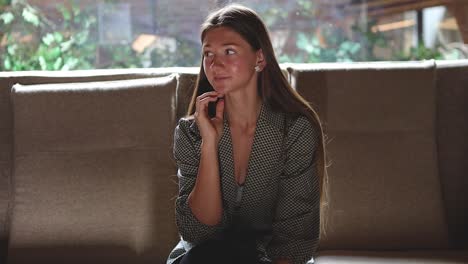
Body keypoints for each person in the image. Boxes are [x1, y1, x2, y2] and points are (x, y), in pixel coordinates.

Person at [166, 4, 328, 264]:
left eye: (229, 51)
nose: (215, 63)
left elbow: (294, 238)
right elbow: (197, 230)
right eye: (208, 53)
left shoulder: (295, 130)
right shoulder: (191, 132)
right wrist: (209, 143)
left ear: (260, 59)